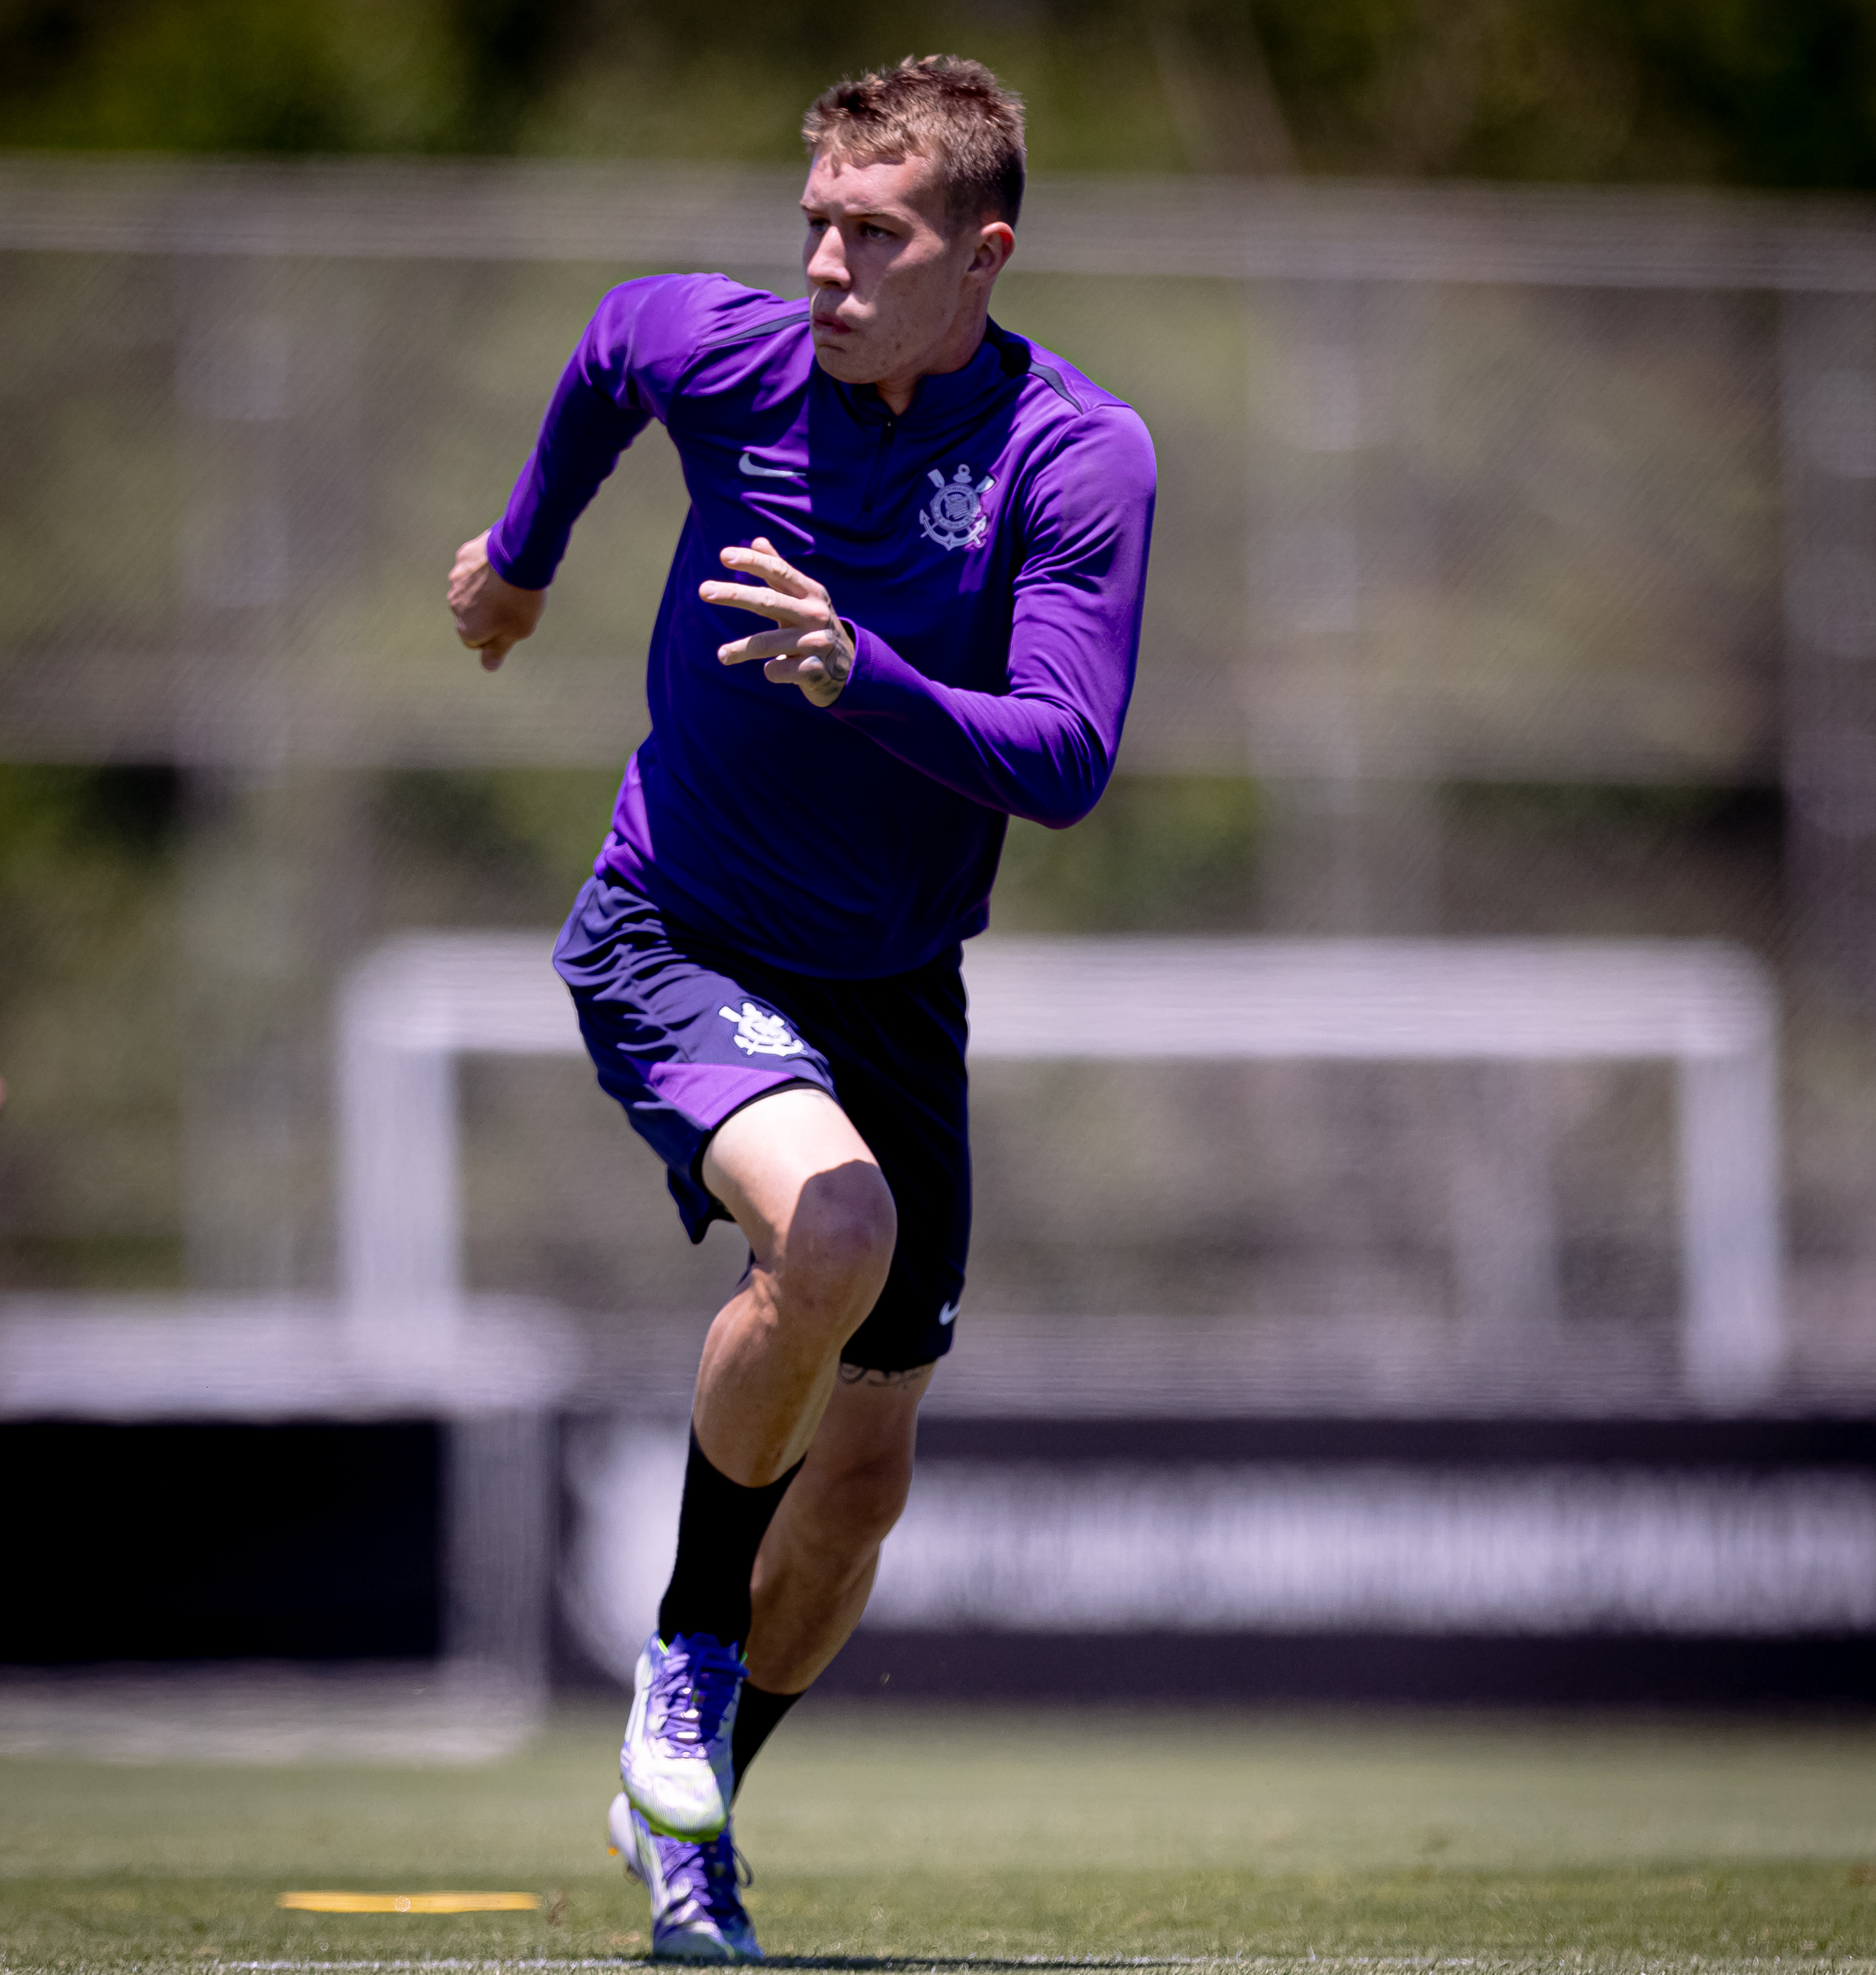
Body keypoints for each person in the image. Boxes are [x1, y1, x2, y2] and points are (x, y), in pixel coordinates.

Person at [448, 52, 1154, 1964]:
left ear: (981, 253)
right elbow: (608, 350)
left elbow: (1070, 755)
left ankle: (688, 1826)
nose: (827, 267)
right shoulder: (728, 354)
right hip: (671, 926)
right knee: (829, 1229)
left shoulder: (1073, 455)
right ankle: (677, 1654)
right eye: (815, 225)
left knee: (858, 1488)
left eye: (876, 233)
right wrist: (520, 563)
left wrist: (871, 680)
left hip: (895, 985)